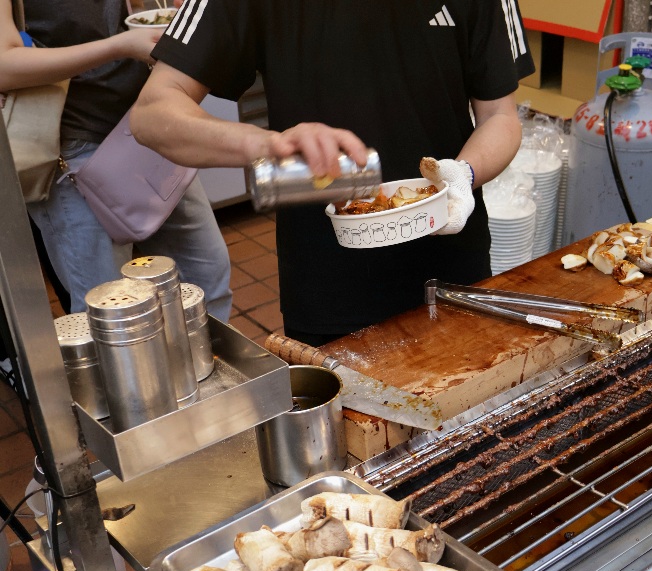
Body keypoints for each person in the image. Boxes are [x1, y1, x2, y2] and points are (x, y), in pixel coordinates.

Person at [132, 1, 534, 345]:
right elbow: (153, 112)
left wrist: (463, 174)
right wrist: (267, 145)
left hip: (452, 269)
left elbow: (500, 115)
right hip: (327, 281)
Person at [0, 0, 232, 321]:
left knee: (207, 278)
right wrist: (119, 46)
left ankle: (204, 366)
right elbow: (4, 64)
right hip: (72, 149)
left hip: (145, 131)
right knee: (110, 310)